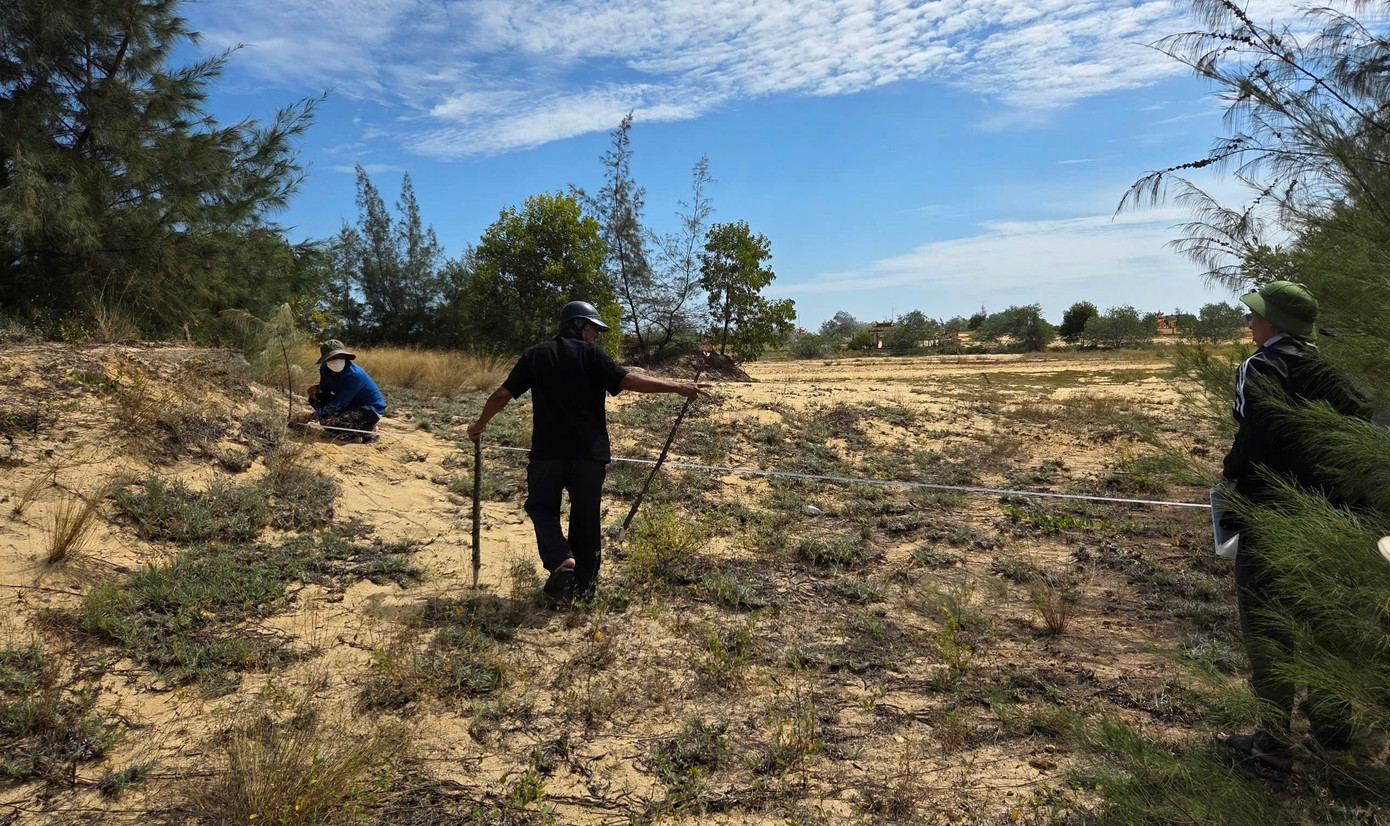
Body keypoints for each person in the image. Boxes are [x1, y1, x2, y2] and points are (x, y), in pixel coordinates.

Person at [467, 301, 708, 601]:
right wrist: (676, 387)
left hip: (547, 454)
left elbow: (503, 394)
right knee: (586, 520)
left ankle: (560, 560)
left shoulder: (535, 355)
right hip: (589, 457)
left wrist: (479, 424)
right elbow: (627, 380)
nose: (596, 335)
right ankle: (583, 590)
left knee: (540, 507)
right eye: (594, 329)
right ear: (578, 325)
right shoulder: (592, 354)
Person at [1215, 281, 1360, 770]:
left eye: (1255, 315)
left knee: (1267, 624)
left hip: (1272, 514)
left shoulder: (1259, 367)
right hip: (1332, 518)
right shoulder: (1334, 369)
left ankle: (1273, 742)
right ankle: (1336, 736)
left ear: (1274, 323)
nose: (1250, 322)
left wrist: (1231, 472)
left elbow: (1255, 439)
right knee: (1325, 622)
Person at [290, 340, 387, 443]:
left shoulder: (354, 375)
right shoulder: (324, 369)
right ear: (326, 360)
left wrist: (311, 416)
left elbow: (339, 403)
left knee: (328, 423)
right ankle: (350, 424)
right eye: (331, 357)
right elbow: (325, 390)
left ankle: (367, 430)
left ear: (345, 357)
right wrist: (317, 389)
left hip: (369, 409)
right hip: (350, 404)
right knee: (316, 398)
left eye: (339, 356)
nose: (336, 360)